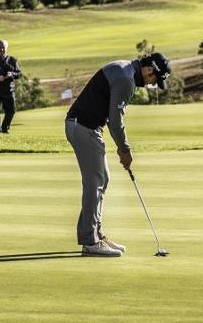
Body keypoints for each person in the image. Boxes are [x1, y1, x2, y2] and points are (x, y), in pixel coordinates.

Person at [65, 52, 172, 257]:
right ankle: (90, 242)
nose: (151, 84)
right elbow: (115, 120)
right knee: (95, 182)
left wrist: (122, 148)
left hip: (86, 126)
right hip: (84, 127)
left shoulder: (125, 69)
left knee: (102, 179)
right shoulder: (126, 80)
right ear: (149, 69)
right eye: (153, 79)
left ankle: (96, 234)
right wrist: (125, 150)